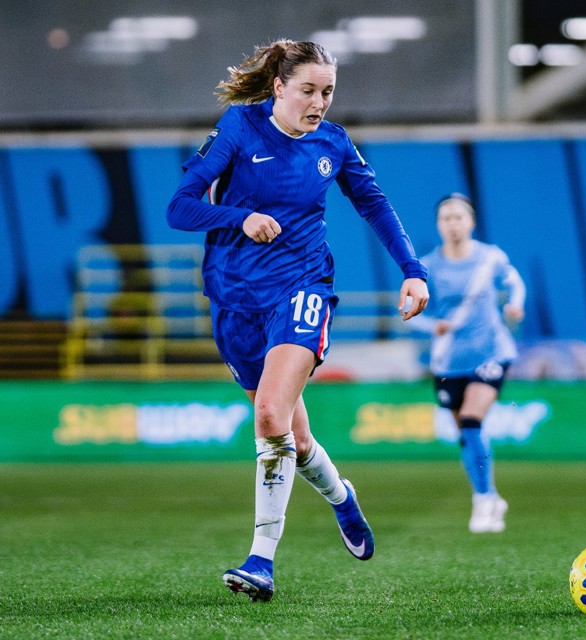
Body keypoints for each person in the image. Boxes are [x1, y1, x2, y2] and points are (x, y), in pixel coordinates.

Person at [166, 39, 429, 602]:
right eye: (308, 90)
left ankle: (261, 559)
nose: (319, 103)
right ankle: (342, 498)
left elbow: (375, 204)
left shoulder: (333, 142)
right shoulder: (239, 128)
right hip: (236, 302)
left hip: (303, 288)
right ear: (279, 87)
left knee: (268, 415)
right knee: (296, 436)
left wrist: (412, 268)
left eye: (328, 91)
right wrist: (241, 217)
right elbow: (180, 207)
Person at [407, 193, 525, 533]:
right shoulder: (426, 266)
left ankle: (483, 502)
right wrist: (433, 325)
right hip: (448, 362)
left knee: (472, 420)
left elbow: (515, 282)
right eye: (446, 218)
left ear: (471, 222)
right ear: (438, 225)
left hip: (491, 354)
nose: (453, 223)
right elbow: (408, 313)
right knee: (466, 434)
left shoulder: (490, 258)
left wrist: (515, 304)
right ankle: (486, 492)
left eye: (459, 217)